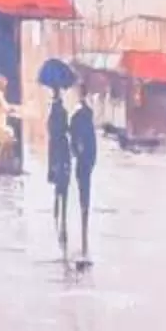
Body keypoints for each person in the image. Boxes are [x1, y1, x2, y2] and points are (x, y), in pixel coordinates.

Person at [67, 90, 101, 259]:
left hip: (83, 159)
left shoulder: (77, 118)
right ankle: (84, 211)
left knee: (83, 184)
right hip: (86, 159)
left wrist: (75, 149)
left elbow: (73, 138)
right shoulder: (84, 120)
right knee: (84, 185)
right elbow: (92, 146)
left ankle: (84, 210)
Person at [46, 87, 73, 245]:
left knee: (58, 177)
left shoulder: (54, 112)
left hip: (56, 147)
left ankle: (57, 205)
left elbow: (51, 129)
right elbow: (64, 129)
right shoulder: (61, 112)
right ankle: (61, 209)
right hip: (61, 146)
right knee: (64, 177)